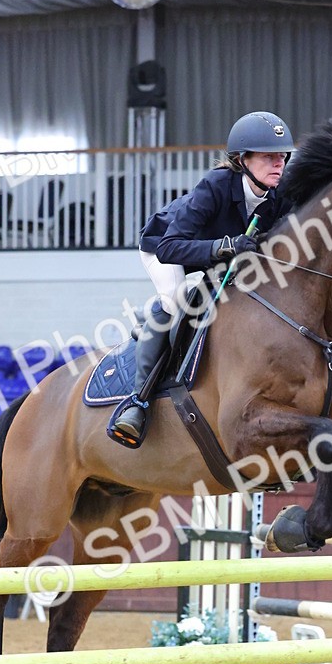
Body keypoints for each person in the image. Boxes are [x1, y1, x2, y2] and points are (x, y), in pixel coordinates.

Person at [110, 110, 294, 444]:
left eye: (282, 157)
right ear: (243, 159)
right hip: (164, 246)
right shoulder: (215, 186)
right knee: (177, 301)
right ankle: (138, 403)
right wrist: (225, 247)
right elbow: (170, 248)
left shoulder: (277, 198)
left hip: (217, 255)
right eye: (269, 157)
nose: (278, 164)